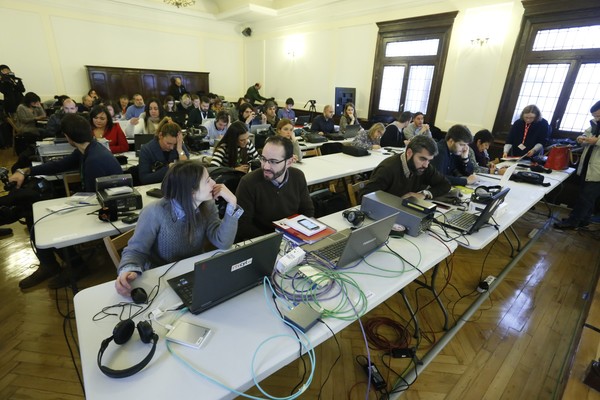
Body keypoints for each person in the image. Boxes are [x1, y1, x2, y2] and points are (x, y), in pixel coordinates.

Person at [7, 114, 122, 289]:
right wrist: (26, 170)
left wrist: (67, 206)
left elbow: (93, 202)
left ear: (68, 137)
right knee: (39, 219)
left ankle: (74, 265)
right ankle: (57, 264)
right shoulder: (88, 149)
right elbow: (58, 166)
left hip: (110, 213)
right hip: (101, 206)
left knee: (49, 222)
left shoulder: (93, 159)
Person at [115, 160, 243, 297]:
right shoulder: (154, 212)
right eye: (207, 181)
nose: (214, 183)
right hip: (161, 280)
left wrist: (232, 204)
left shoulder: (208, 205)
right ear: (191, 191)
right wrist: (127, 270)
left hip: (194, 273)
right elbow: (135, 250)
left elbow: (223, 242)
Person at [235, 135, 314, 241]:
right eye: (263, 159)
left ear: (289, 162)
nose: (266, 166)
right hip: (262, 240)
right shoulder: (248, 182)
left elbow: (307, 211)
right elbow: (242, 226)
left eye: (273, 161)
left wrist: (294, 234)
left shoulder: (298, 176)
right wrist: (275, 240)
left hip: (292, 236)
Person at [554, 101, 600, 230]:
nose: (596, 118)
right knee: (586, 197)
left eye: (598, 116)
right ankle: (583, 220)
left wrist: (597, 141)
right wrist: (581, 138)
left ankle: (572, 222)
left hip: (597, 170)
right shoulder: (595, 124)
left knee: (586, 198)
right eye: (594, 116)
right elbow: (586, 134)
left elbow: (595, 140)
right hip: (588, 166)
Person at [363, 135, 451, 200]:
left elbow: (445, 184)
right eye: (422, 159)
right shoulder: (387, 169)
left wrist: (424, 194)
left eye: (429, 160)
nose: (426, 165)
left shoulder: (424, 167)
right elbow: (365, 197)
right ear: (409, 153)